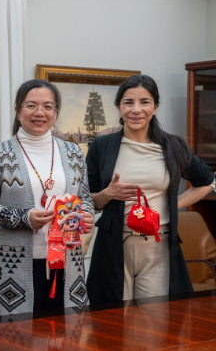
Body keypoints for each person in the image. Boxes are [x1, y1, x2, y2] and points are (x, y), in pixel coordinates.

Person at [86, 74, 214, 304]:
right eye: (128, 102)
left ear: (155, 107)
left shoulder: (173, 146)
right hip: (114, 247)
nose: (136, 110)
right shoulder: (101, 146)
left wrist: (172, 205)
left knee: (154, 325)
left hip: (159, 246)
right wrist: (108, 194)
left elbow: (206, 182)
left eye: (144, 102)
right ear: (119, 107)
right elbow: (87, 200)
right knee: (111, 322)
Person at [0, 79, 94, 317]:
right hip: (14, 263)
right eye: (31, 105)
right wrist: (24, 218)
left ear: (56, 112)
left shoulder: (72, 152)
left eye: (48, 106)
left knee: (63, 338)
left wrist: (87, 215)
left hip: (67, 261)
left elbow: (85, 199)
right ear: (18, 110)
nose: (39, 113)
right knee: (16, 338)